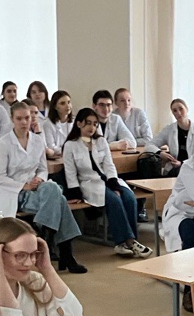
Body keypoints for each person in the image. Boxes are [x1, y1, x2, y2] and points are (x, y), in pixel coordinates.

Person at [0, 101, 85, 273]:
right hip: (15, 193)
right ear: (12, 119)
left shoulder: (37, 140)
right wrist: (24, 185)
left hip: (37, 189)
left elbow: (43, 168)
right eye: (19, 118)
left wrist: (39, 179)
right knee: (59, 199)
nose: (24, 122)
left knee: (52, 189)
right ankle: (65, 252)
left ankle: (47, 235)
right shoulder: (3, 143)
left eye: (27, 118)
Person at [62, 107, 151, 258]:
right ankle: (127, 242)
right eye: (88, 123)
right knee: (114, 201)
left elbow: (109, 165)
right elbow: (70, 172)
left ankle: (128, 242)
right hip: (89, 183)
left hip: (109, 180)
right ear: (79, 124)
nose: (92, 127)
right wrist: (75, 192)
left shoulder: (101, 141)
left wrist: (114, 183)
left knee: (130, 198)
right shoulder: (70, 145)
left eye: (95, 124)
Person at [154, 97, 194, 170]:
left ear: (187, 109)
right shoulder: (169, 129)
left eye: (181, 109)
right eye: (175, 111)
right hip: (174, 169)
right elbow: (150, 144)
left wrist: (181, 163)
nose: (178, 113)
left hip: (193, 169)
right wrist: (159, 153)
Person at [43, 90, 74, 159]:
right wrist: (69, 151)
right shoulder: (47, 124)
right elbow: (51, 147)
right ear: (55, 107)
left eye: (69, 102)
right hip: (57, 159)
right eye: (63, 103)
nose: (67, 106)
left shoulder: (74, 122)